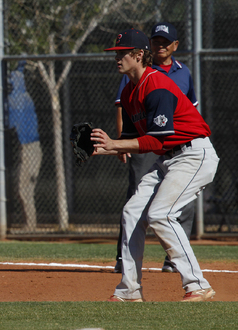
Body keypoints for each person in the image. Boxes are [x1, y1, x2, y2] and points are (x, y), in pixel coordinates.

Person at [93, 29, 219, 302]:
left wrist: (113, 144)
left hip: (194, 154)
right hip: (169, 159)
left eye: (122, 53)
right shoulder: (128, 91)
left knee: (160, 214)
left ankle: (197, 284)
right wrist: (102, 148)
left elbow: (154, 140)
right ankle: (130, 290)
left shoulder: (156, 84)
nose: (117, 58)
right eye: (116, 53)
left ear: (139, 55)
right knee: (132, 212)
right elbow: (130, 139)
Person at [113, 22, 198, 274]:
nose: (159, 45)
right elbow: (125, 109)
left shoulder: (174, 74)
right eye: (156, 40)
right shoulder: (133, 79)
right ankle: (126, 268)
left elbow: (190, 111)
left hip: (182, 148)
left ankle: (179, 265)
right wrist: (113, 144)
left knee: (168, 209)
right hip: (148, 142)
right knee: (134, 203)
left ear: (174, 46)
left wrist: (115, 143)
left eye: (164, 41)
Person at [7, 61, 41, 229]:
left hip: (31, 147)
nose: (12, 83)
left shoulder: (19, 98)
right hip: (26, 148)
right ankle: (29, 224)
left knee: (24, 189)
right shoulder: (19, 97)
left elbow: (11, 124)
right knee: (25, 190)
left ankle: (30, 226)